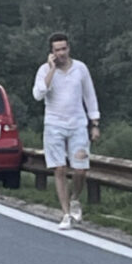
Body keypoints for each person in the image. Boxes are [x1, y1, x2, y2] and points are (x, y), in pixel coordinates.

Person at [32, 32, 100, 230]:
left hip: (78, 123)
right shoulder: (44, 70)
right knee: (59, 168)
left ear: (68, 48)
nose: (61, 53)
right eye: (57, 50)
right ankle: (65, 213)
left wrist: (94, 123)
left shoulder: (80, 69)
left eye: (64, 49)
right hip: (54, 124)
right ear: (51, 52)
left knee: (80, 169)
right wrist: (52, 70)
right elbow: (38, 94)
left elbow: (90, 95)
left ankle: (75, 198)